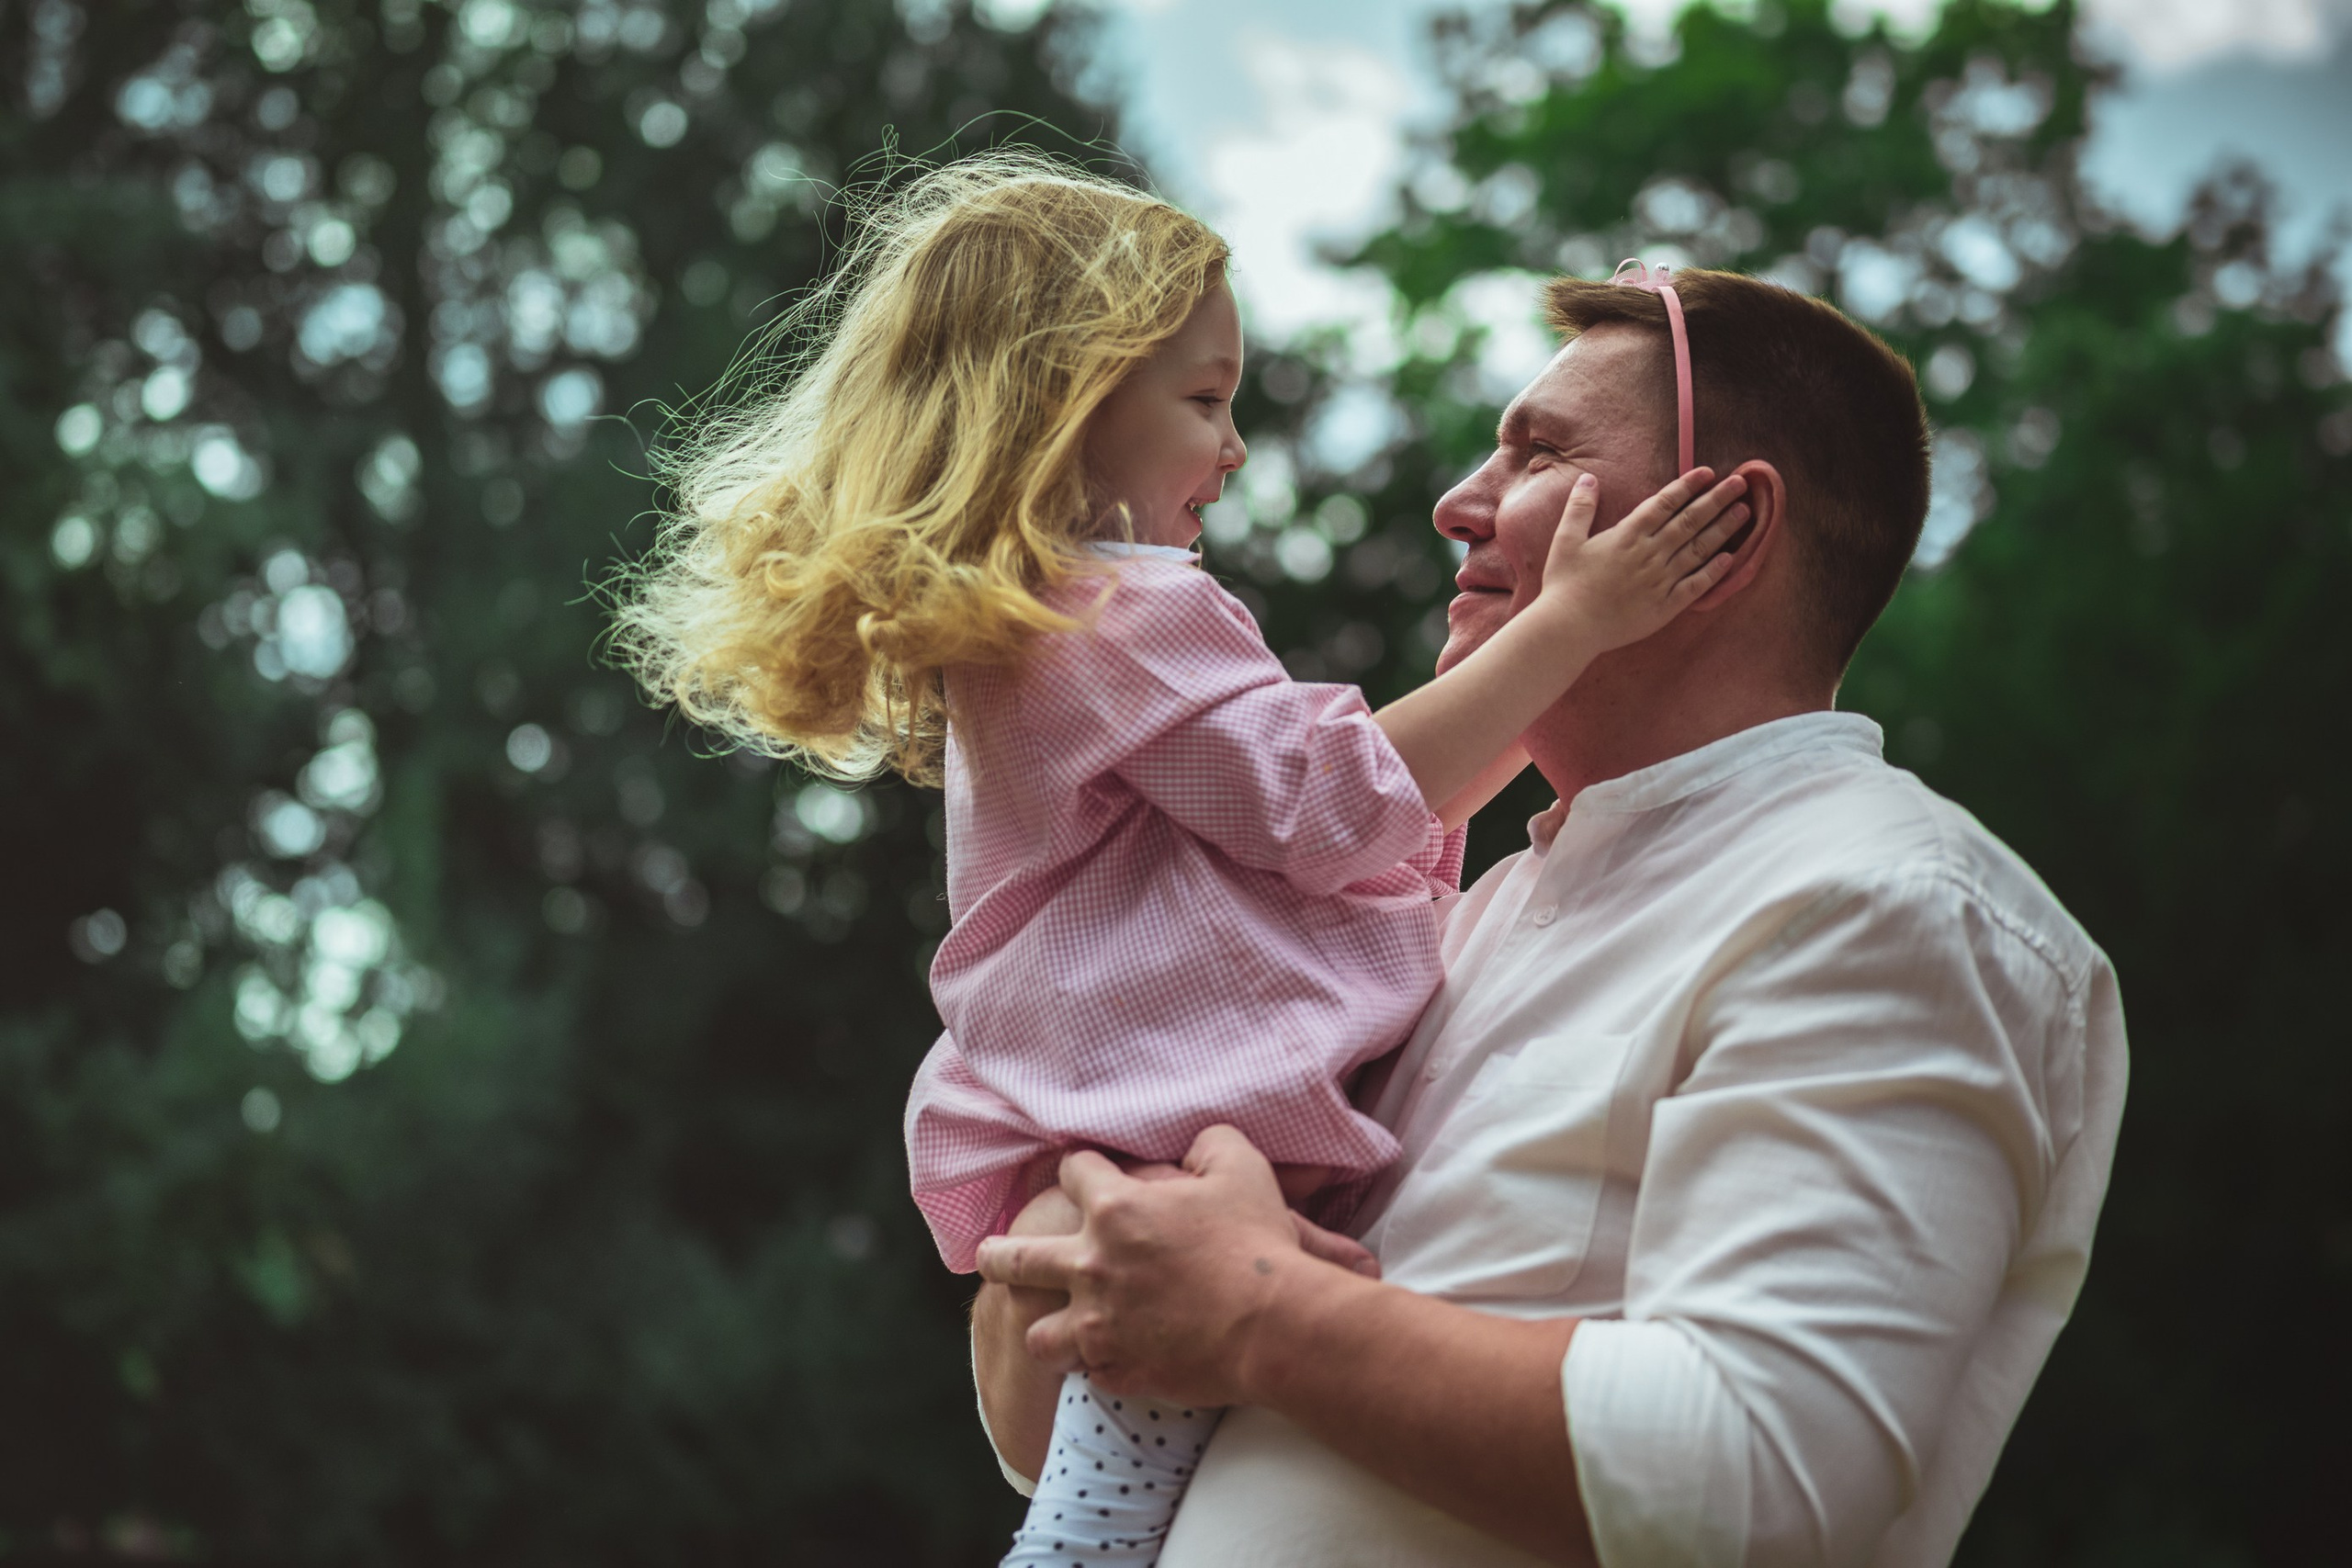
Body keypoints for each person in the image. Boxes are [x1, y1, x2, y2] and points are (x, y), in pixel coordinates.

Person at [613, 153, 1749, 1564]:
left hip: (1128, 1116)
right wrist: (1574, 632)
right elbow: (1337, 807)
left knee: (1149, 1478)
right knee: (1110, 1507)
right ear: (1066, 404)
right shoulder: (1121, 612)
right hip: (1164, 1134)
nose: (1235, 446)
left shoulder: (1039, 625)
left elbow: (1350, 805)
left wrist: (1554, 675)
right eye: (1205, 401)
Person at [973, 266, 2129, 1568]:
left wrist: (1254, 1314)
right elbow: (1061, 1411)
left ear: (1727, 532)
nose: (1455, 502)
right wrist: (1091, 1265)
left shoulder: (1890, 902)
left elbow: (1769, 1477)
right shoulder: (1452, 927)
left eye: (1537, 453)